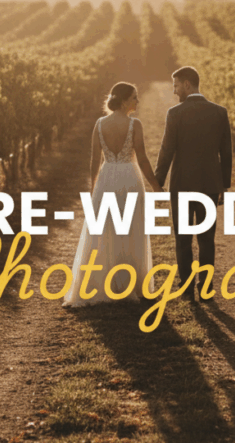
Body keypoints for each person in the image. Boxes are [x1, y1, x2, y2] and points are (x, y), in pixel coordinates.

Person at [62, 82, 164, 308]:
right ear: (125, 100)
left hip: (106, 177)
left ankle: (102, 282)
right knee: (130, 229)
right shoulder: (134, 124)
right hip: (129, 177)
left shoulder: (100, 124)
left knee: (105, 230)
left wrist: (93, 187)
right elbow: (143, 159)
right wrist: (156, 186)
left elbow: (94, 160)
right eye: (134, 97)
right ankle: (128, 284)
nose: (137, 101)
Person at [154, 66, 233, 303]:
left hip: (182, 185)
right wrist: (224, 186)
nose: (174, 90)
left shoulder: (175, 113)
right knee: (207, 239)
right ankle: (206, 288)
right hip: (210, 185)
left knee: (183, 238)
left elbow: (167, 150)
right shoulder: (219, 112)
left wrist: (158, 182)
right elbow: (226, 153)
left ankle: (187, 288)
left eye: (176, 85)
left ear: (187, 85)